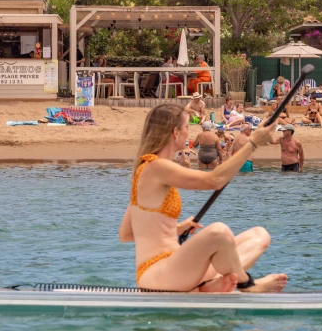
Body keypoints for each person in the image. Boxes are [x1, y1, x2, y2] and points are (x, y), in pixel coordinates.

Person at [118, 103, 286, 294]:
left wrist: (177, 227)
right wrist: (253, 143)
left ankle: (204, 287)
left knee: (259, 236)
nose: (188, 133)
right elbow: (214, 180)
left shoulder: (150, 171)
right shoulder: (154, 167)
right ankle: (248, 285)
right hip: (157, 274)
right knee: (219, 233)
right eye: (187, 127)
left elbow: (126, 233)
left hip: (178, 268)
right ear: (175, 132)